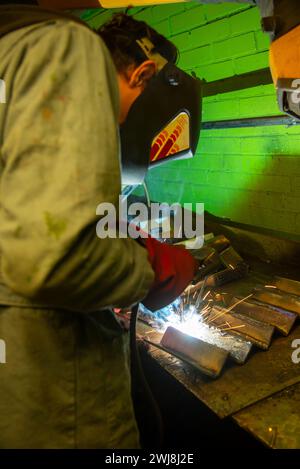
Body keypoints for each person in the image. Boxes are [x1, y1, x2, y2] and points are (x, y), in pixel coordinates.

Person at [0, 6, 198, 449]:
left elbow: (26, 222)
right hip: (55, 405)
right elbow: (59, 253)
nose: (119, 124)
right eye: (124, 113)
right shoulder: (68, 47)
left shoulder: (12, 58)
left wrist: (114, 244)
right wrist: (149, 266)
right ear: (142, 74)